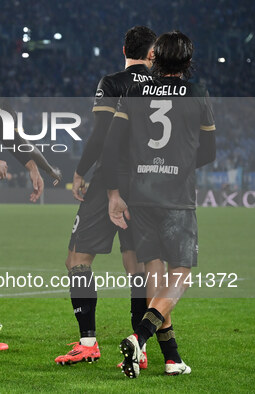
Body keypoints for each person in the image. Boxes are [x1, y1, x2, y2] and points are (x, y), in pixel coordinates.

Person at [103, 30, 216, 378]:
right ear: (186, 62)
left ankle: (171, 358)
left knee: (153, 268)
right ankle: (140, 336)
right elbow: (209, 151)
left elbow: (112, 147)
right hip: (176, 198)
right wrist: (177, 167)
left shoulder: (134, 91)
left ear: (155, 58)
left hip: (139, 195)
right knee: (181, 273)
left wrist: (113, 194)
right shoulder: (197, 93)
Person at [54, 26, 156, 367]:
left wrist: (80, 171)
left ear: (124, 48)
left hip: (112, 178)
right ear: (152, 54)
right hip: (148, 184)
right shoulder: (162, 88)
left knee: (77, 260)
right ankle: (138, 346)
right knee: (136, 265)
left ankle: (88, 343)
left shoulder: (113, 82)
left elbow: (101, 135)